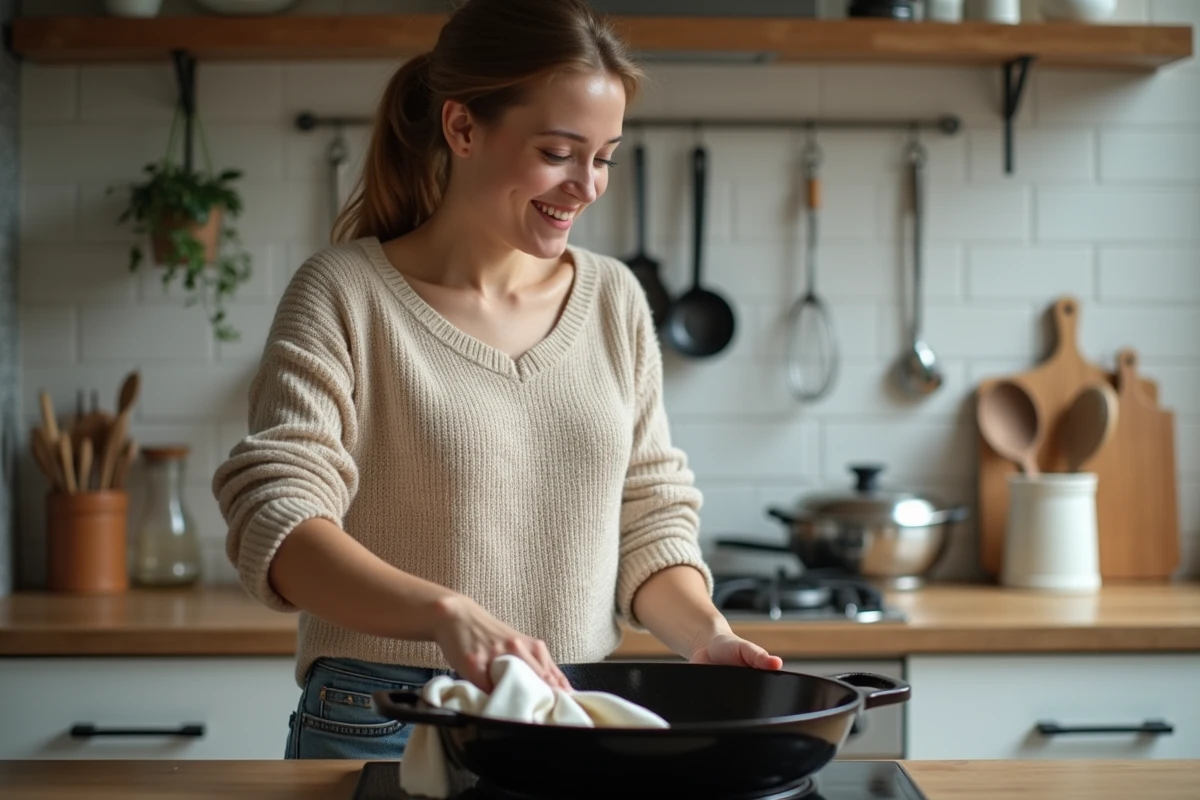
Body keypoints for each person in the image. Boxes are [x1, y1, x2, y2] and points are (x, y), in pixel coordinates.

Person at [211, 0, 783, 761]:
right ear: (462, 129)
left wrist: (705, 636)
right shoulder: (344, 294)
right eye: (558, 152)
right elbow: (277, 518)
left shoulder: (614, 299)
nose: (586, 185)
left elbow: (647, 516)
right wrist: (446, 613)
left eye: (605, 157)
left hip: (570, 714)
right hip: (386, 715)